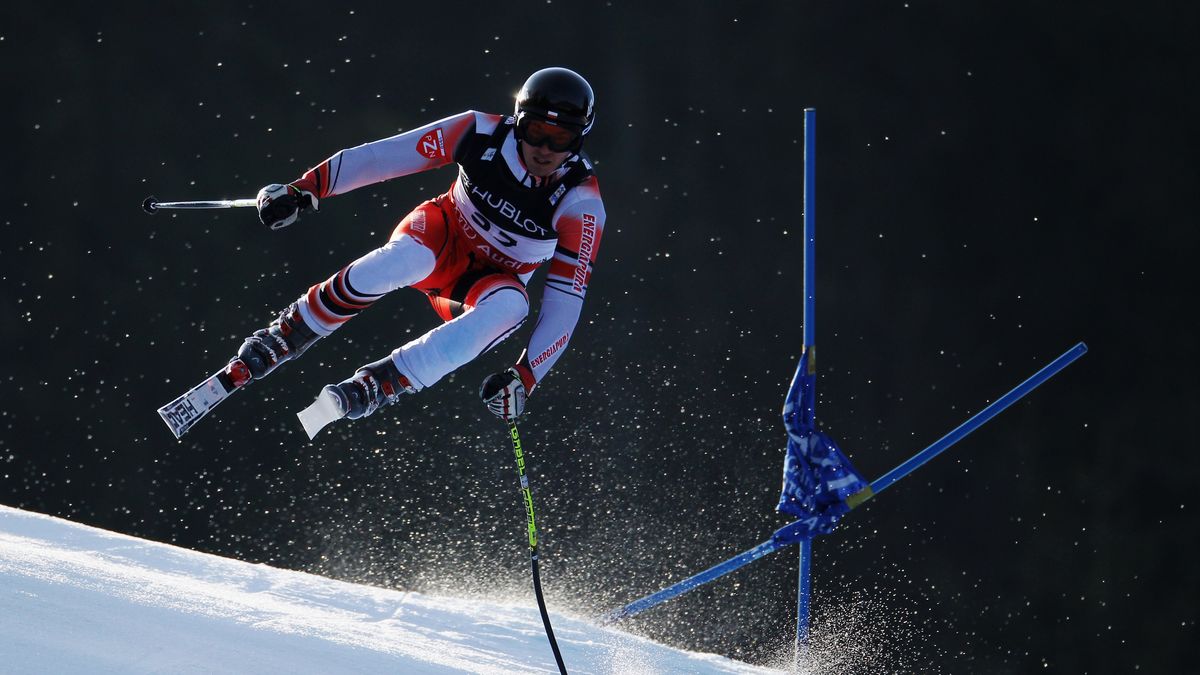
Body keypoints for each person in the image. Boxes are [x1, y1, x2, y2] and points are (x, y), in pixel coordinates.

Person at [232, 67, 605, 430]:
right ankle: (289, 331)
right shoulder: (479, 131)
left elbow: (566, 303)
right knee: (406, 258)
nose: (543, 149)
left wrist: (525, 377)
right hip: (441, 235)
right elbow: (385, 157)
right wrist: (306, 188)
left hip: (484, 284)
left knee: (514, 306)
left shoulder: (581, 202)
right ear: (517, 121)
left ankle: (383, 383)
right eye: (535, 131)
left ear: (580, 139)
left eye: (561, 139)